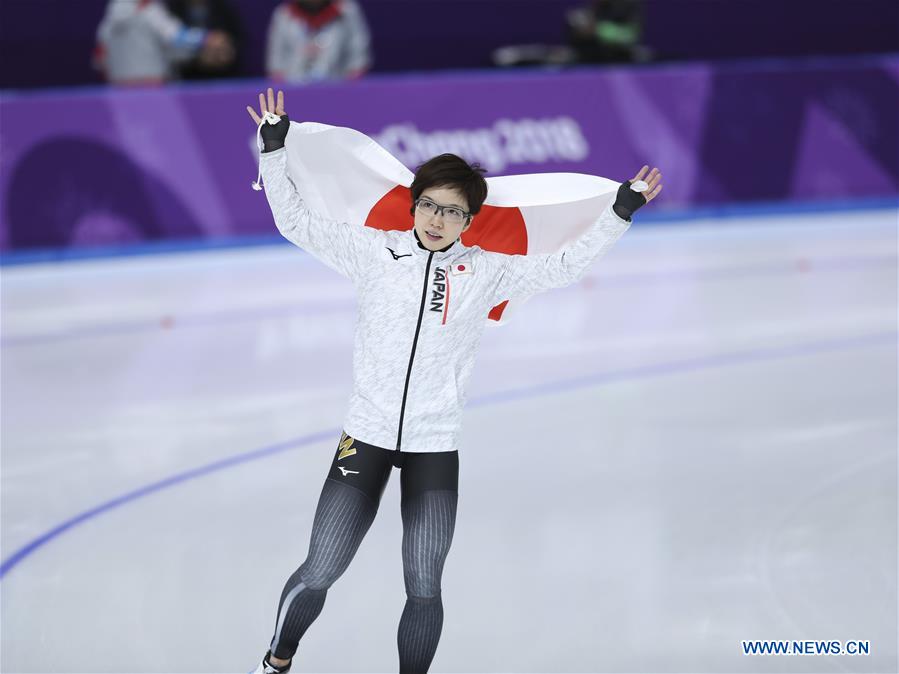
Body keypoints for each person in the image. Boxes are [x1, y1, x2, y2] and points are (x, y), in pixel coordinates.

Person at [246, 88, 662, 673]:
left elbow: (565, 266)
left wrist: (619, 213)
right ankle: (276, 661)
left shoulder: (485, 272)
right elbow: (293, 221)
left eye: (453, 212)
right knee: (322, 568)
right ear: (413, 205)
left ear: (470, 220)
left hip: (434, 445)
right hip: (365, 437)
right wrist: (273, 150)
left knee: (424, 585)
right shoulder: (372, 252)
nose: (438, 221)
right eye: (429, 206)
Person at [94, 0, 231, 85]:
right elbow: (177, 36)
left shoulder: (111, 13)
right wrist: (207, 38)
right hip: (154, 86)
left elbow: (99, 58)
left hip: (119, 88)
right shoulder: (148, 9)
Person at [265, 0, 372, 82]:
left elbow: (359, 57)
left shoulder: (347, 10)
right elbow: (275, 64)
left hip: (339, 89)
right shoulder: (283, 14)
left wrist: (349, 86)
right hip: (294, 90)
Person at [165, 0, 242, 80]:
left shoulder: (222, 8)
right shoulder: (172, 10)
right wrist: (199, 56)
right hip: (188, 77)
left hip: (226, 75)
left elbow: (237, 39)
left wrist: (225, 51)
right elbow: (172, 37)